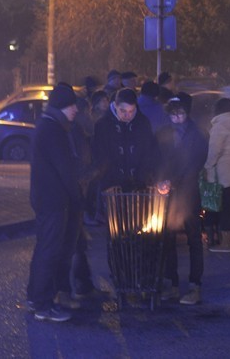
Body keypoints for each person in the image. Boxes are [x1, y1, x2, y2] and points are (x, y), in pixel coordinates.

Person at [26, 84, 83, 322]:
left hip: (46, 198)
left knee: (44, 249)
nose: (76, 110)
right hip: (53, 200)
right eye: (72, 105)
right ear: (62, 106)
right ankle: (43, 304)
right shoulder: (53, 130)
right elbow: (65, 169)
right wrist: (78, 198)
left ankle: (35, 297)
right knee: (49, 251)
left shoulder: (49, 125)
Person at [156, 95, 208, 305]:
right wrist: (160, 180)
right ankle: (172, 283)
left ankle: (195, 285)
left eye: (181, 113)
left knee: (193, 238)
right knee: (167, 237)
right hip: (168, 192)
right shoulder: (163, 133)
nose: (177, 118)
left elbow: (196, 163)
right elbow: (158, 160)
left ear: (187, 113)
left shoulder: (197, 134)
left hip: (188, 192)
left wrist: (174, 180)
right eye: (173, 113)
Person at [90, 88, 158, 222]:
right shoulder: (103, 125)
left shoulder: (142, 122)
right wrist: (106, 178)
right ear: (115, 105)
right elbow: (99, 155)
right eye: (123, 111)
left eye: (131, 111)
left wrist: (146, 174)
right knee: (116, 226)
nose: (128, 116)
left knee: (139, 223)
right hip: (113, 186)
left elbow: (149, 151)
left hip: (138, 184)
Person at [204, 98, 230, 252]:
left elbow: (214, 151)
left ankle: (226, 243)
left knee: (226, 208)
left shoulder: (219, 125)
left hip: (225, 173)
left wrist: (207, 166)